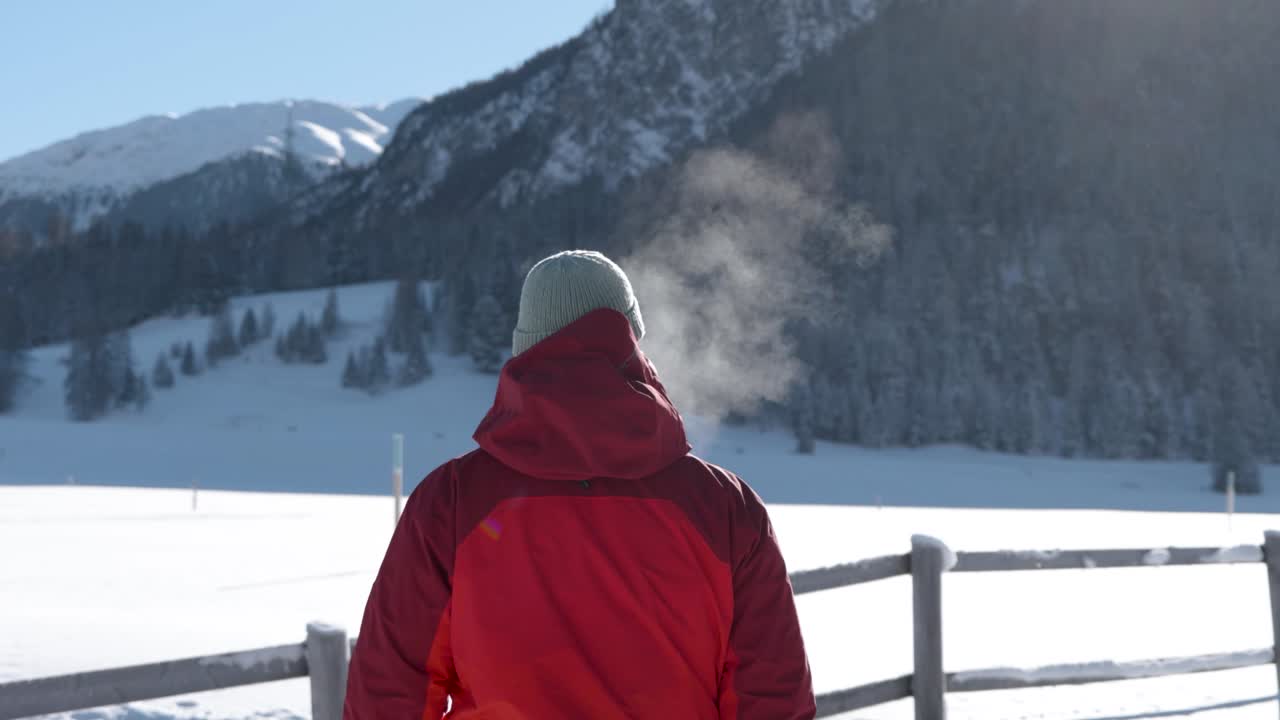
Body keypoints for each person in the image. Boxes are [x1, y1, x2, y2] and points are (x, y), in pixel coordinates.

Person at [344, 250, 814, 719]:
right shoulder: (726, 508)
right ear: (632, 342)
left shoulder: (450, 502)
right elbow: (772, 697)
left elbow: (390, 692)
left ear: (525, 347)